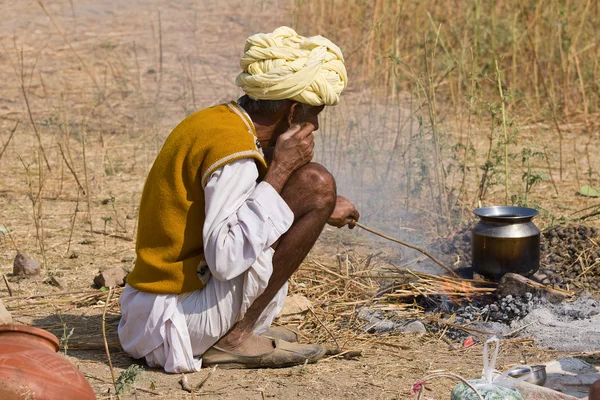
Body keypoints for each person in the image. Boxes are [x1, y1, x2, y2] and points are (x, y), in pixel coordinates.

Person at [117, 26, 359, 372]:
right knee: (317, 182)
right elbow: (226, 259)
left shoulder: (219, 122)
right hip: (173, 323)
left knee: (313, 187)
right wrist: (284, 174)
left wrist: (310, 200)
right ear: (292, 113)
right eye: (314, 113)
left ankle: (236, 328)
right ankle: (236, 336)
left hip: (153, 309)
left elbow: (239, 196)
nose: (316, 126)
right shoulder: (236, 154)